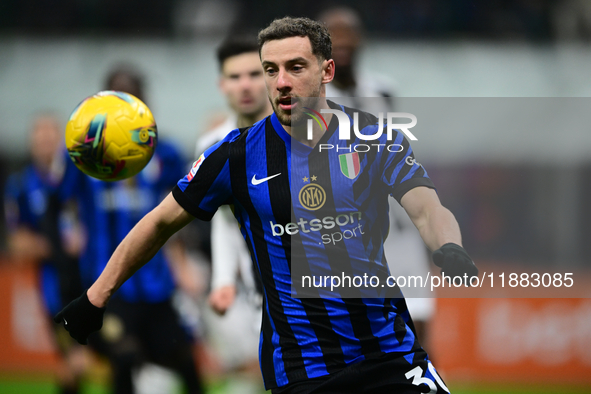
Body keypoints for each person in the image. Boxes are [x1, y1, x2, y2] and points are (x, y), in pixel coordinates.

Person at [55, 17, 478, 394]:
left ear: (326, 70)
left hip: (391, 353)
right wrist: (94, 297)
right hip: (304, 368)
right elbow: (160, 222)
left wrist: (448, 247)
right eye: (270, 70)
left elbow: (426, 207)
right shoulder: (235, 155)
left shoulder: (374, 137)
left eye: (295, 67)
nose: (280, 82)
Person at [59, 65, 205, 394]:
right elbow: (61, 202)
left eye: (133, 96)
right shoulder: (81, 152)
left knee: (185, 359)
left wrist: (182, 264)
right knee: (124, 356)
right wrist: (71, 230)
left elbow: (177, 215)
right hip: (107, 282)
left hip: (157, 285)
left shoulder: (165, 153)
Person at [320, 6, 435, 350]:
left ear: (361, 40)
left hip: (400, 233)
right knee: (361, 340)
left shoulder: (383, 91)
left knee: (419, 327)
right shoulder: (316, 102)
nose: (342, 42)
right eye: (333, 35)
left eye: (348, 33)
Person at [194, 34, 272, 392]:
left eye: (255, 74)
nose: (245, 85)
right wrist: (223, 280)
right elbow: (224, 221)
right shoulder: (210, 146)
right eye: (235, 76)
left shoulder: (305, 135)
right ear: (221, 84)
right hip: (252, 291)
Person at [5, 114, 88, 394]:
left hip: (90, 274)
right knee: (74, 361)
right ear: (32, 143)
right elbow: (17, 243)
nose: (46, 143)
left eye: (51, 137)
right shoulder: (20, 185)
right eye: (40, 138)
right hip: (55, 285)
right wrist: (53, 245)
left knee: (84, 362)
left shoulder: (79, 179)